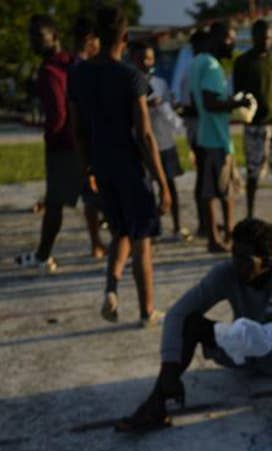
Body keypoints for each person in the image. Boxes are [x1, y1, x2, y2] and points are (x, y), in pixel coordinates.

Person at [116, 219, 272, 445]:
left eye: (245, 259)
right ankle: (156, 404)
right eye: (234, 254)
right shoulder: (226, 272)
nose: (236, 263)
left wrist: (271, 335)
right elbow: (177, 314)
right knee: (192, 322)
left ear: (267, 262)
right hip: (241, 353)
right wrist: (169, 369)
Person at [69, 6, 171, 327]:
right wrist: (163, 183)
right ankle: (146, 310)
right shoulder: (131, 76)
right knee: (142, 239)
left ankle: (111, 289)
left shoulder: (79, 75)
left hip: (102, 165)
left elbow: (78, 131)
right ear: (125, 38)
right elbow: (144, 134)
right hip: (129, 166)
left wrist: (87, 170)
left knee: (120, 232)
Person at [15, 14, 106, 274]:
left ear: (54, 37)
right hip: (85, 140)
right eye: (31, 37)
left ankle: (44, 255)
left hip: (64, 147)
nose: (33, 43)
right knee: (93, 196)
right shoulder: (72, 63)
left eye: (38, 37)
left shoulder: (49, 71)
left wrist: (44, 131)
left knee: (56, 204)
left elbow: (57, 116)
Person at [189, 22, 250, 253]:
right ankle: (222, 238)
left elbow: (195, 103)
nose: (232, 43)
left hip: (205, 134)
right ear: (214, 38)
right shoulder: (212, 66)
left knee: (209, 191)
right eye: (229, 38)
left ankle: (215, 236)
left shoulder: (197, 62)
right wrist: (238, 102)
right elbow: (209, 102)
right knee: (224, 192)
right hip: (217, 138)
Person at [233, 20, 272, 228]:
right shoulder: (243, 62)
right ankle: (250, 214)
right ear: (254, 38)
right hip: (255, 125)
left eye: (269, 38)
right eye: (262, 38)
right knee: (254, 172)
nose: (266, 42)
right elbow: (239, 91)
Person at [132, 41, 187, 240]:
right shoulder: (130, 83)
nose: (147, 62)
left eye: (150, 58)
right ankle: (153, 228)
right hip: (144, 145)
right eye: (143, 58)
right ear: (134, 60)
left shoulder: (160, 83)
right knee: (148, 188)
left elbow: (170, 106)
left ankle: (177, 225)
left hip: (164, 141)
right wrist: (145, 105)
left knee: (169, 185)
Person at [70, 15, 109, 259]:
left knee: (94, 193)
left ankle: (99, 241)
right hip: (89, 137)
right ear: (89, 40)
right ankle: (96, 242)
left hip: (90, 136)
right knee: (93, 193)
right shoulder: (81, 68)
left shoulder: (83, 66)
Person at [178, 28, 210, 237]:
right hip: (200, 128)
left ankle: (206, 222)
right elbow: (189, 104)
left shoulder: (193, 68)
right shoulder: (196, 68)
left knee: (204, 177)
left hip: (198, 127)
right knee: (204, 177)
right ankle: (204, 223)